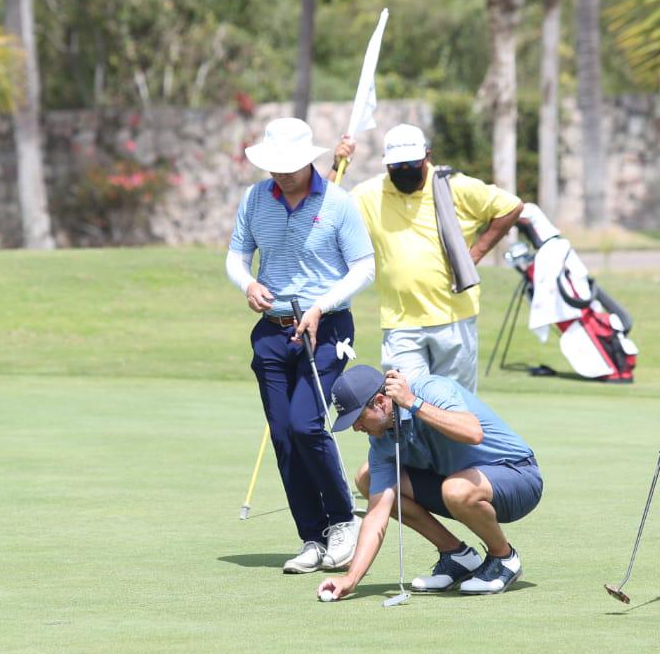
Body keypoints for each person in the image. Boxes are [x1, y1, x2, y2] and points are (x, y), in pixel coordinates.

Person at [226, 117, 375, 574]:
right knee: (284, 437)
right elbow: (236, 256)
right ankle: (312, 536)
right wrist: (248, 284)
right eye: (274, 166)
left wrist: (320, 305)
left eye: (288, 166)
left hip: (327, 328)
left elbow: (363, 268)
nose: (281, 174)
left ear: (310, 160)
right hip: (272, 331)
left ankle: (344, 521)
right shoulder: (255, 198)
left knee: (308, 425)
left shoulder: (337, 202)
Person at [316, 364, 543, 601]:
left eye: (359, 418)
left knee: (455, 489)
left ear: (382, 402)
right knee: (368, 476)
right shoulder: (382, 444)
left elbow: (472, 432)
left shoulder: (430, 389)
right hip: (460, 486)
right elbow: (376, 517)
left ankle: (504, 558)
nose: (356, 428)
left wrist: (412, 403)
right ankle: (457, 556)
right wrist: (350, 579)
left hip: (519, 477)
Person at [332, 125, 522, 391]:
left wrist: (475, 254)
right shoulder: (369, 194)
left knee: (456, 405)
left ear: (427, 157)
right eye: (396, 165)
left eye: (411, 162)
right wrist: (336, 166)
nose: (404, 169)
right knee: (405, 406)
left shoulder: (455, 186)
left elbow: (510, 207)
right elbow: (325, 212)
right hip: (400, 321)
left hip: (454, 315)